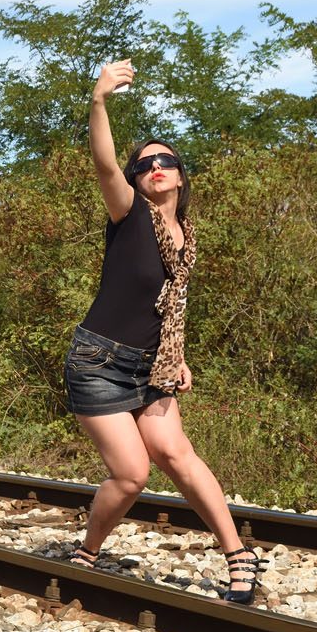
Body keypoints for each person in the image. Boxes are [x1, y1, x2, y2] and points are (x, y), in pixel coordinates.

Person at [61, 59, 264, 604]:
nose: (154, 166)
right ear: (136, 177)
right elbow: (105, 167)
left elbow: (170, 304)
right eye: (144, 162)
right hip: (98, 363)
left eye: (164, 160)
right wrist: (99, 101)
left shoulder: (185, 234)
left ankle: (238, 555)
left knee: (178, 454)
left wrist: (177, 356)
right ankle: (89, 550)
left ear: (179, 174)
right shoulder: (128, 214)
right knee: (132, 476)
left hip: (152, 365)